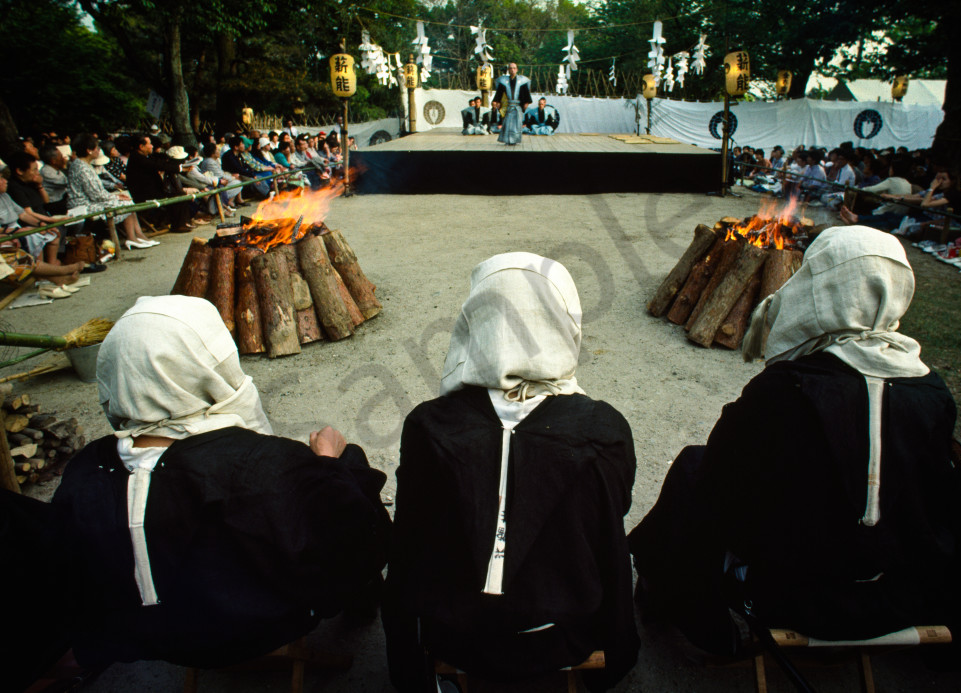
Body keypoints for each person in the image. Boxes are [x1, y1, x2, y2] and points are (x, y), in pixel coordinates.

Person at [629, 226, 961, 664]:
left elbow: (719, 494)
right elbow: (929, 501)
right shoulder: (931, 391)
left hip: (788, 595)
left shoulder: (784, 390)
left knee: (695, 469)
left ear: (822, 288)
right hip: (894, 593)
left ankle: (665, 592)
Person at [49, 295, 391, 671]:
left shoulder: (85, 470)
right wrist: (328, 465)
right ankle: (363, 603)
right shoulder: (264, 463)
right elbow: (347, 534)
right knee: (349, 470)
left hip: (139, 638)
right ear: (207, 364)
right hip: (257, 629)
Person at [382, 252, 639, 692]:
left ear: (474, 323)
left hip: (456, 637)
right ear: (564, 323)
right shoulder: (603, 429)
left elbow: (410, 541)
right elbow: (615, 512)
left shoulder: (427, 427)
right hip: (561, 636)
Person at [67, 134, 154, 249]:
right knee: (126, 203)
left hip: (91, 201)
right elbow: (96, 195)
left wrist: (117, 196)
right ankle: (132, 238)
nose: (99, 150)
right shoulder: (82, 168)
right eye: (97, 148)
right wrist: (117, 197)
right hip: (84, 206)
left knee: (127, 199)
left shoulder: (83, 164)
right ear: (89, 151)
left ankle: (138, 235)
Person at [126, 134, 193, 234]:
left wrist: (179, 166)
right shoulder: (137, 158)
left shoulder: (144, 156)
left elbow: (159, 161)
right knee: (178, 195)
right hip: (144, 195)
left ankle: (183, 223)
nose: (152, 146)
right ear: (141, 146)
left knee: (180, 194)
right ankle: (178, 225)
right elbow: (156, 165)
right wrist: (180, 168)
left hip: (153, 191)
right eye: (150, 144)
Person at [492, 63, 532, 146]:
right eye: (510, 68)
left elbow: (526, 93)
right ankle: (507, 139)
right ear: (508, 70)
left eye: (514, 68)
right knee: (507, 123)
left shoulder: (522, 81)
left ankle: (515, 140)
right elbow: (499, 92)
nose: (512, 70)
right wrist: (497, 101)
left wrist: (526, 102)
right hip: (509, 105)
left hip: (518, 105)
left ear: (517, 69)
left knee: (517, 123)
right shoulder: (503, 80)